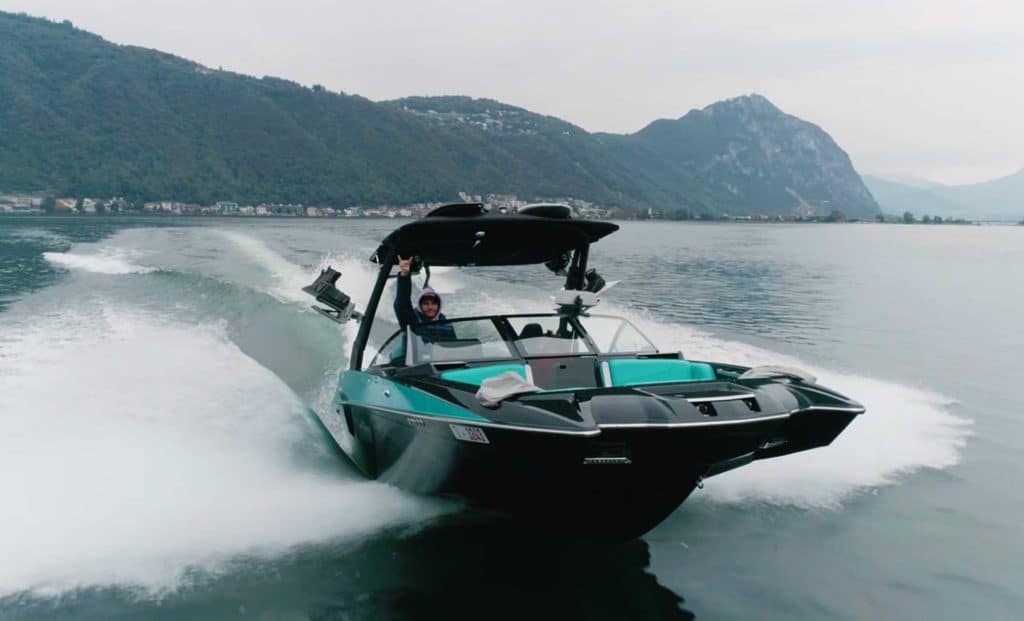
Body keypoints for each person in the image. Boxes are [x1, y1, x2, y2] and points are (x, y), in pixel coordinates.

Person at [394, 255, 456, 341]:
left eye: (434, 303)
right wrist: (404, 274)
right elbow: (402, 305)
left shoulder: (447, 326)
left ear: (439, 306)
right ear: (420, 305)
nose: (430, 307)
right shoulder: (413, 321)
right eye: (426, 304)